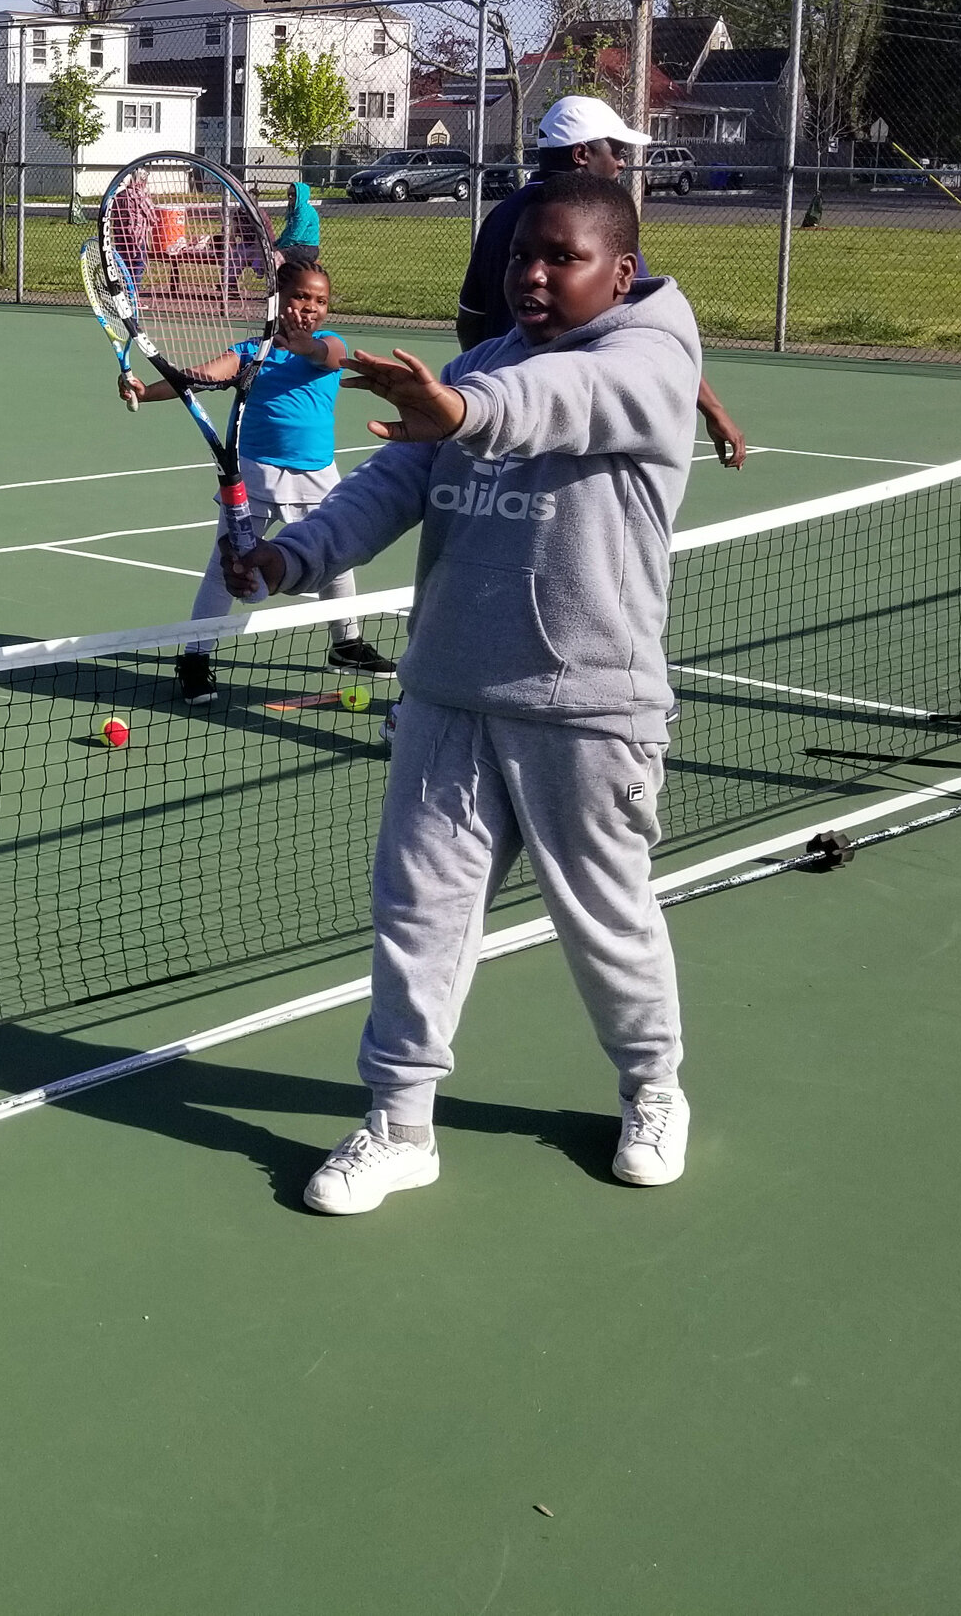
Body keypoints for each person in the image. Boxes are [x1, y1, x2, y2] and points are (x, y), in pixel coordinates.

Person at [223, 173, 700, 1214]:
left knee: (605, 921)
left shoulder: (651, 359)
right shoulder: (477, 364)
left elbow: (561, 404)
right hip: (445, 689)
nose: (531, 272)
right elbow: (391, 486)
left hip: (587, 704)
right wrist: (291, 557)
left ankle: (652, 1089)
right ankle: (399, 1125)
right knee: (417, 914)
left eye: (560, 257)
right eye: (522, 253)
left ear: (619, 272)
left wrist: (465, 409)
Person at [117, 259, 396, 701]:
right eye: (301, 297)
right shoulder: (251, 352)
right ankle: (195, 657)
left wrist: (304, 346)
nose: (310, 308)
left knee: (335, 560)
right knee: (226, 567)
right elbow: (199, 377)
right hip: (252, 476)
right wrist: (145, 390)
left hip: (318, 476)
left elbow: (328, 357)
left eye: (320, 301)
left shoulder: (329, 345)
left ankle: (346, 643)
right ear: (278, 301)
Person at [460, 95, 746, 469]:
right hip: (572, 428)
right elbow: (647, 331)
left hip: (501, 418)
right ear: (581, 155)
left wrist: (488, 390)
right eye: (615, 150)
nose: (622, 161)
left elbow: (471, 320)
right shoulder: (596, 228)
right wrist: (713, 409)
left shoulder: (498, 217)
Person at [273, 178, 320, 267]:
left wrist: (280, 247)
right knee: (270, 251)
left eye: (294, 194)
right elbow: (287, 233)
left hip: (307, 248)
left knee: (276, 257)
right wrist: (276, 243)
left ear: (301, 195)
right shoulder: (294, 210)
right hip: (297, 246)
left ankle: (275, 280)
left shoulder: (303, 210)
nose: (290, 197)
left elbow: (295, 235)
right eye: (289, 194)